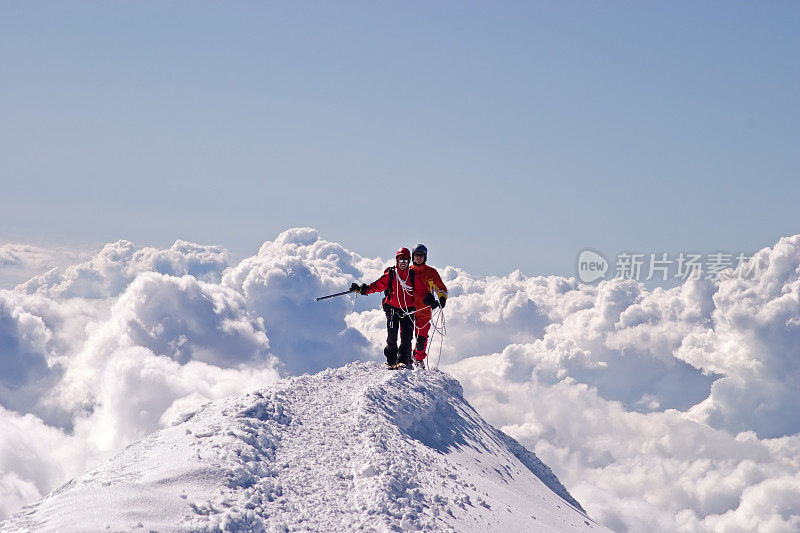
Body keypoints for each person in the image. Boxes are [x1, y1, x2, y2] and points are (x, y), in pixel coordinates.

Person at [350, 247, 429, 369]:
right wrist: (362, 289)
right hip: (392, 309)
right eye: (401, 260)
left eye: (406, 261)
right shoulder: (391, 274)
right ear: (397, 261)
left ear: (409, 262)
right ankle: (391, 361)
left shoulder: (413, 276)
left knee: (406, 338)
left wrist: (430, 298)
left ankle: (403, 361)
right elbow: (377, 286)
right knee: (392, 337)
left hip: (408, 311)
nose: (403, 263)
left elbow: (421, 290)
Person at [410, 244, 448, 366]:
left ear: (425, 257)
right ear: (412, 256)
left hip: (424, 312)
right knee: (406, 337)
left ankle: (419, 359)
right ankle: (405, 359)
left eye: (421, 255)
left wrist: (442, 299)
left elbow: (441, 289)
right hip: (408, 310)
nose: (419, 258)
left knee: (421, 339)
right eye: (416, 255)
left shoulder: (431, 273)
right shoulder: (407, 271)